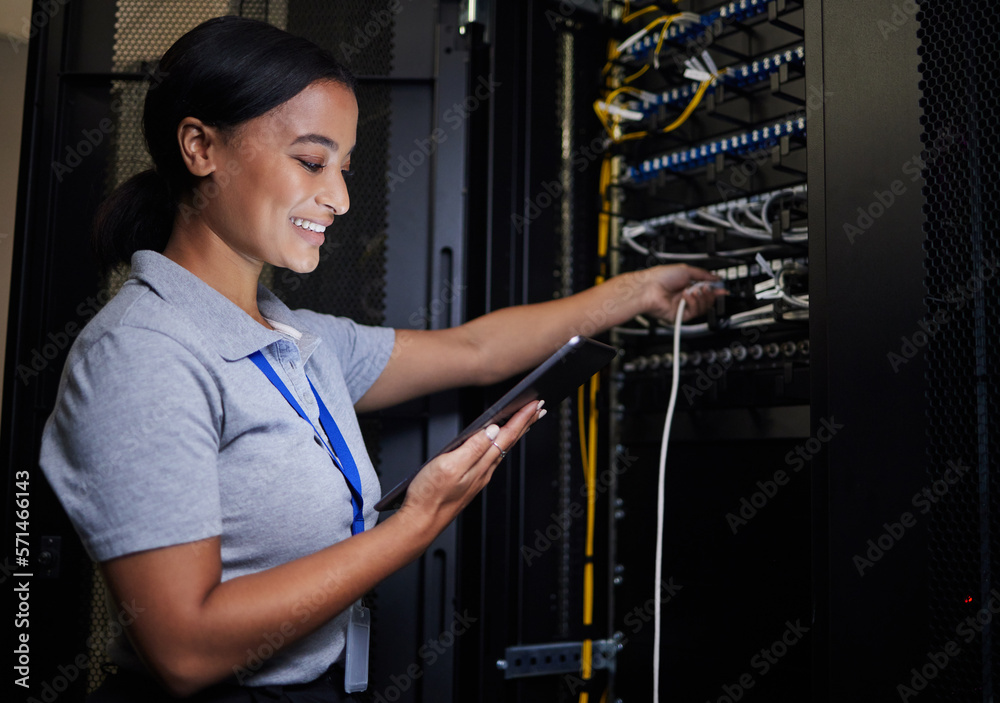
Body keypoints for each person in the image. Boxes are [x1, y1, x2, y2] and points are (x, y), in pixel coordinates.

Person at [38, 15, 723, 703]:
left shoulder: (295, 338)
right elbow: (184, 648)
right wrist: (417, 522)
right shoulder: (143, 353)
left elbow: (474, 350)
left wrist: (637, 292)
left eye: (344, 167)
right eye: (310, 161)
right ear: (200, 146)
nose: (338, 198)